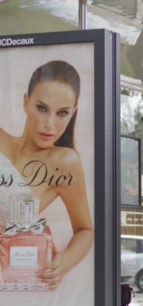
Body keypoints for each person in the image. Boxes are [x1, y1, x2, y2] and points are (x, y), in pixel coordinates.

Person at [0, 60, 94, 291]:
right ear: (25, 102)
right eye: (41, 108)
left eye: (62, 113)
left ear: (73, 113)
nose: (50, 124)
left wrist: (62, 263)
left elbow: (85, 229)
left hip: (15, 284)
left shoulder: (64, 162)